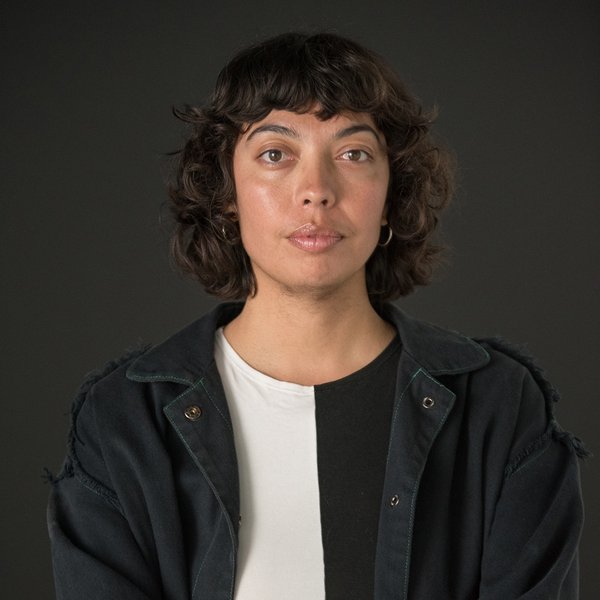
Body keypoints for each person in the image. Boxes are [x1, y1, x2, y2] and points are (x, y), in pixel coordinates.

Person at [47, 32, 586, 599]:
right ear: (226, 193)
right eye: (275, 154)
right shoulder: (124, 423)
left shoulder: (498, 408)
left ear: (390, 194)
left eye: (353, 154)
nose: (316, 191)